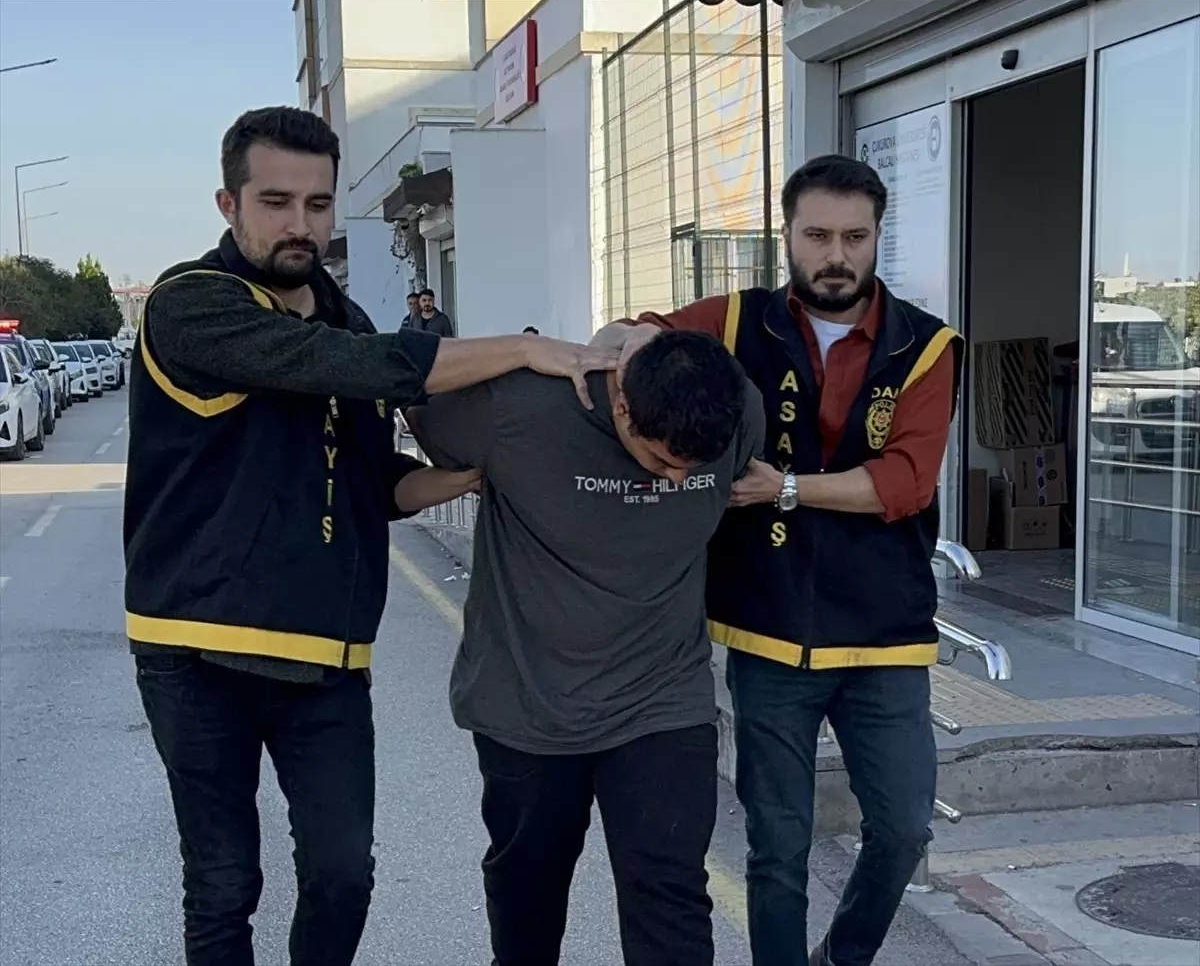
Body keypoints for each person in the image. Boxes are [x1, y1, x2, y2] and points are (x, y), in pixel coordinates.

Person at [124, 105, 616, 966]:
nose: (299, 224)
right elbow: (344, 368)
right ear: (228, 204)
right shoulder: (190, 304)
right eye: (275, 202)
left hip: (327, 651)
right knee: (223, 885)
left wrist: (465, 476)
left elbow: (365, 477)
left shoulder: (342, 317)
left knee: (344, 876)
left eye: (317, 204)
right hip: (197, 646)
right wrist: (523, 349)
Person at [595, 154, 963, 966]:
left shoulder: (927, 345)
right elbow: (633, 334)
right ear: (787, 235)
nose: (837, 255)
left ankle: (842, 956)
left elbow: (906, 482)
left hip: (885, 636)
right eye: (818, 235)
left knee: (904, 828)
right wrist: (621, 349)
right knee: (777, 846)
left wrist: (785, 488)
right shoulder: (734, 321)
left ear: (878, 237)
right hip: (767, 633)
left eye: (855, 237)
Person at [404, 330, 765, 966]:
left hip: (663, 699)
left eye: (694, 470)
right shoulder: (516, 407)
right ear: (622, 405)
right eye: (662, 462)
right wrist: (520, 348)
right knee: (528, 897)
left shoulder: (739, 407)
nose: (678, 478)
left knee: (671, 897)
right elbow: (402, 380)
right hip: (528, 703)